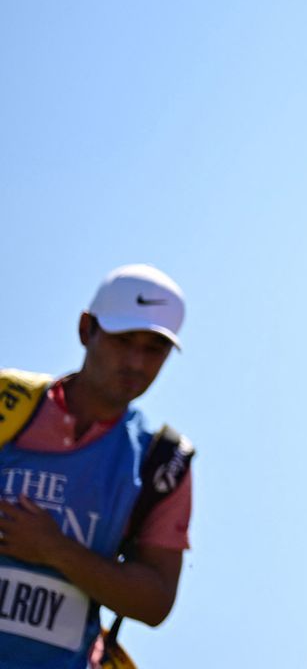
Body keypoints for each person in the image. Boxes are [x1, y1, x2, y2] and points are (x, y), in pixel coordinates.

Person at [0, 264, 194, 668]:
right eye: (124, 340)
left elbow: (155, 601)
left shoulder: (161, 462)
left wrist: (55, 549)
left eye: (154, 349)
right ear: (87, 329)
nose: (136, 363)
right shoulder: (5, 403)